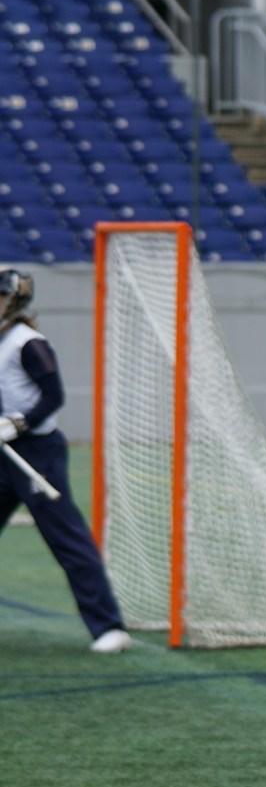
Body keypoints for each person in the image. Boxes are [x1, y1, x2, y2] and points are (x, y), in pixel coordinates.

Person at [0, 269, 131, 653]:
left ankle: (108, 627)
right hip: (4, 454)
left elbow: (53, 395)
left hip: (37, 454)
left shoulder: (28, 344)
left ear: (13, 301)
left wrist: (19, 424)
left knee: (66, 537)